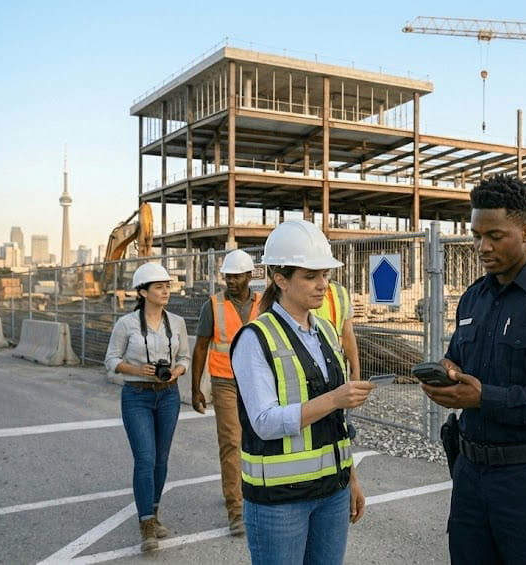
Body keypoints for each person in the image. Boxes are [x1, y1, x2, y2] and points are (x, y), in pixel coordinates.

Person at [421, 175, 526, 564]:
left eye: (495, 235)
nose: (482, 246)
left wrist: (485, 397)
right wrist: (448, 370)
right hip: (470, 479)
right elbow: (459, 359)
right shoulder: (473, 298)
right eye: (476, 235)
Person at [230, 219, 376, 565]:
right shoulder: (255, 338)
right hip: (280, 501)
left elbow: (337, 423)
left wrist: (350, 477)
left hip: (332, 492)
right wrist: (335, 398)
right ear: (280, 279)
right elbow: (264, 422)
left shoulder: (325, 330)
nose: (322, 285)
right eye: (310, 277)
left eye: (325, 275)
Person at [104, 262, 191, 553]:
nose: (166, 291)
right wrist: (139, 370)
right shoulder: (126, 324)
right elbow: (111, 361)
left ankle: (154, 512)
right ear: (143, 292)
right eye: (159, 287)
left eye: (168, 286)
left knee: (161, 459)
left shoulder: (176, 322)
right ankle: (146, 527)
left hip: (168, 395)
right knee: (145, 458)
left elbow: (185, 359)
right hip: (136, 395)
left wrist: (177, 371)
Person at [191, 248, 261, 536]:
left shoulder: (264, 303)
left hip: (257, 382)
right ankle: (236, 509)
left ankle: (257, 496)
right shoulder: (213, 306)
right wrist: (196, 388)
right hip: (225, 382)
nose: (230, 281)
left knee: (258, 440)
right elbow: (201, 346)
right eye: (227, 277)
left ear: (249, 276)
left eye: (236, 276)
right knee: (232, 442)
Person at [313, 280, 360, 380]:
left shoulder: (340, 291)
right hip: (311, 362)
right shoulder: (298, 291)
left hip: (335, 362)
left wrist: (355, 370)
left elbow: (347, 334)